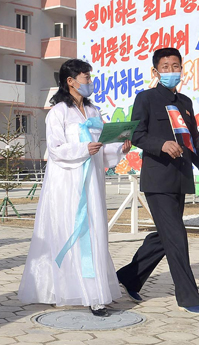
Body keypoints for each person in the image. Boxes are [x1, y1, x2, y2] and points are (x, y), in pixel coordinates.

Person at [18, 59, 125, 316]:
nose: (90, 82)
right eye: (86, 77)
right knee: (69, 228)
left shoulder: (94, 111)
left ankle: (95, 291)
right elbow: (55, 149)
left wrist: (119, 146)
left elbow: (102, 147)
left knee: (95, 228)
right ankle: (63, 288)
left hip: (91, 180)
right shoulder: (58, 112)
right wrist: (81, 149)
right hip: (67, 180)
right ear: (70, 81)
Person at [116, 47, 199, 315]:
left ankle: (129, 277)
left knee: (164, 236)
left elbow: (193, 140)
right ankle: (189, 297)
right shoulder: (146, 98)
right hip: (158, 179)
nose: (172, 71)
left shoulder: (185, 102)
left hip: (181, 178)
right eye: (166, 67)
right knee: (176, 236)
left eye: (176, 66)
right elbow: (137, 135)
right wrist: (161, 145)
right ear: (155, 71)